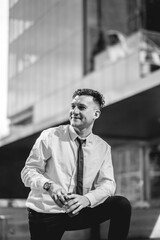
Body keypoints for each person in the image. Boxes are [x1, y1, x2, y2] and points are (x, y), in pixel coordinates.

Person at [21, 88, 131, 240]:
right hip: (47, 212)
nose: (74, 111)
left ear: (96, 114)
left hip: (81, 208)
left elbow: (108, 184)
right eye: (73, 106)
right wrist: (49, 185)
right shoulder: (50, 136)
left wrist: (87, 199)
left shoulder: (103, 147)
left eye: (81, 107)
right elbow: (29, 171)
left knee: (121, 205)